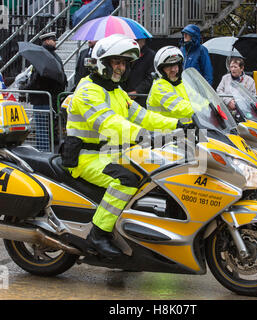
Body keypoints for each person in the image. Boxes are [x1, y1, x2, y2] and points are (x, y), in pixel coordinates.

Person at [66, 34, 185, 258]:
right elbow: (110, 123)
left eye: (124, 63)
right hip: (86, 156)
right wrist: (145, 135)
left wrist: (178, 124)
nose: (121, 68)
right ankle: (98, 234)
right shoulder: (88, 91)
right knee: (126, 180)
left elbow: (143, 116)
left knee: (154, 172)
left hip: (110, 153)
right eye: (117, 62)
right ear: (103, 63)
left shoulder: (115, 91)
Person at [20, 31, 67, 152]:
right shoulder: (53, 58)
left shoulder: (45, 60)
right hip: (49, 100)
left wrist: (24, 88)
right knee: (48, 130)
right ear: (46, 41)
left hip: (43, 100)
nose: (55, 42)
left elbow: (37, 82)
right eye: (53, 40)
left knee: (42, 131)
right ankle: (47, 152)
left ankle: (43, 154)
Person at [146, 45, 193, 122]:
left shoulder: (183, 84)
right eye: (168, 66)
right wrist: (203, 111)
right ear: (161, 70)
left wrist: (209, 107)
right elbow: (179, 106)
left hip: (185, 130)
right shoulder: (159, 87)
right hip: (163, 131)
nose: (173, 69)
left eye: (176, 65)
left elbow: (198, 99)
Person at [120, 38, 155, 107]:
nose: (134, 43)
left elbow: (151, 77)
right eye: (132, 40)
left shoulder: (150, 55)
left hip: (141, 98)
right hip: (124, 95)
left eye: (137, 41)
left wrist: (137, 91)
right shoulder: (125, 54)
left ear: (143, 41)